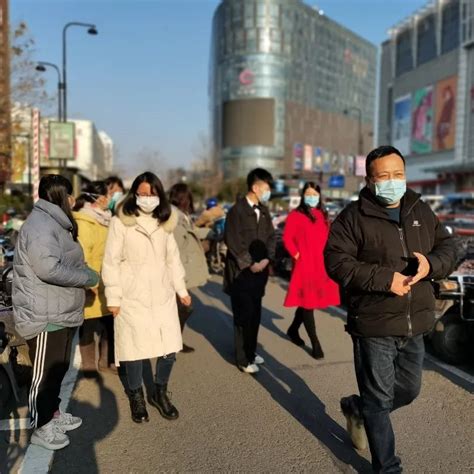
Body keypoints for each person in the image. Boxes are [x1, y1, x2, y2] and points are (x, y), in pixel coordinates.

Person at [324, 146, 456, 473]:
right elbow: (336, 262)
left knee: (408, 391)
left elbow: (450, 246)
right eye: (384, 176)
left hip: (416, 322)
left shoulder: (419, 209)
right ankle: (387, 467)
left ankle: (358, 407)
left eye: (398, 174)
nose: (392, 182)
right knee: (380, 400)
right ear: (369, 180)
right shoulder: (352, 217)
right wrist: (386, 280)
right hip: (374, 322)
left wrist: (432, 265)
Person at [12, 175, 99, 450]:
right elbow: (47, 268)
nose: (74, 200)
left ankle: (53, 414)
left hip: (59, 308)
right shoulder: (40, 226)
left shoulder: (56, 223)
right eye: (71, 195)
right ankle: (40, 425)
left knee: (57, 371)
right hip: (45, 312)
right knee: (45, 375)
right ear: (63, 196)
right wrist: (85, 277)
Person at [102, 172, 191, 424]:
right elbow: (111, 261)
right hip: (132, 297)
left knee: (169, 348)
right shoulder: (122, 222)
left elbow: (172, 259)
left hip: (162, 295)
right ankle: (137, 396)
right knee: (133, 350)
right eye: (141, 194)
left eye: (152, 194)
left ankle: (159, 392)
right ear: (134, 194)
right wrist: (114, 297)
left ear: (160, 195)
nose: (147, 198)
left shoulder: (166, 223)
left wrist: (181, 290)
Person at [224, 168, 276, 374]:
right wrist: (250, 263)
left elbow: (271, 237)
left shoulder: (264, 211)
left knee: (255, 315)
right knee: (242, 317)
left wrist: (266, 259)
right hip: (241, 275)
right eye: (266, 187)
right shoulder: (236, 211)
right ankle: (243, 359)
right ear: (255, 187)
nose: (268, 191)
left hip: (259, 274)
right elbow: (233, 241)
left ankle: (251, 352)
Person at [283, 182, 340, 359]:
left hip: (320, 266)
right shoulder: (295, 215)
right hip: (304, 266)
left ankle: (293, 330)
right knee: (308, 304)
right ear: (302, 195)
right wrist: (297, 255)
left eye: (314, 193)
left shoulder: (323, 215)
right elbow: (287, 238)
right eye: (308, 193)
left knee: (308, 301)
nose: (311, 196)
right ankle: (315, 343)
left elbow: (327, 238)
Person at [73, 181, 115, 376]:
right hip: (92, 282)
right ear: (96, 198)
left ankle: (106, 362)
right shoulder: (84, 221)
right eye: (106, 195)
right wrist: (91, 282)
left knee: (110, 324)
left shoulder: (106, 219)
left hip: (108, 280)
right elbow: (83, 256)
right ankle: (89, 366)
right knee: (88, 326)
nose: (109, 199)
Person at [169, 183, 210, 353]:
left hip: (183, 268)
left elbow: (193, 231)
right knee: (184, 307)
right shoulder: (173, 216)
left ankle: (175, 340)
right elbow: (176, 246)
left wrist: (210, 231)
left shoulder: (182, 215)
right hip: (179, 270)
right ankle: (173, 342)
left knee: (182, 308)